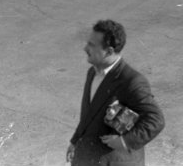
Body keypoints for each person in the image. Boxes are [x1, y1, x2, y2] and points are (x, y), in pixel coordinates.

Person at [66, 20, 165, 165]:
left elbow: (156, 120)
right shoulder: (92, 73)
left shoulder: (131, 81)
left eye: (92, 45)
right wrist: (75, 141)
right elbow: (88, 115)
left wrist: (125, 141)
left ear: (109, 51)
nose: (85, 48)